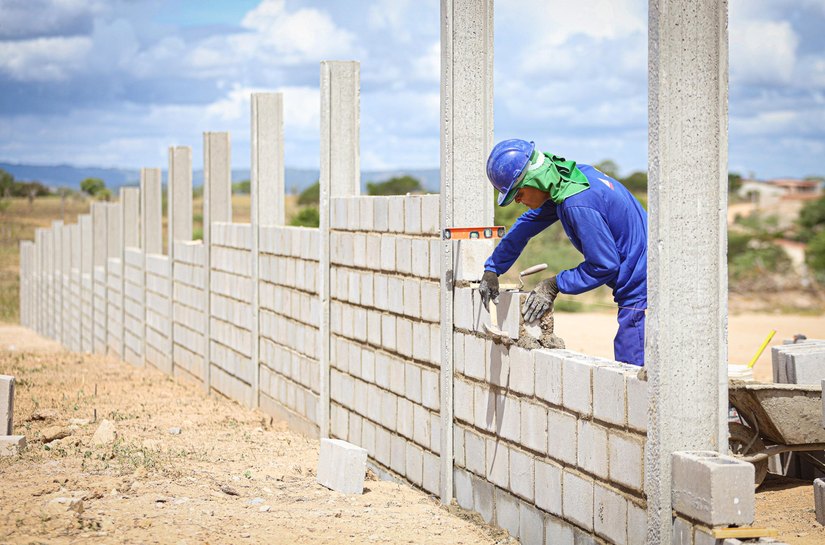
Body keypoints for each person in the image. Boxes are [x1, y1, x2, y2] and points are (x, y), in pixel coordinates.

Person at [478, 139, 648, 366]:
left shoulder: (577, 203)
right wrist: (493, 268)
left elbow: (604, 265)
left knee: (634, 372)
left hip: (643, 288)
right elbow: (525, 226)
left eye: (518, 194)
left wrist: (554, 285)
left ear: (534, 180)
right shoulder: (569, 180)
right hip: (644, 275)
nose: (518, 201)